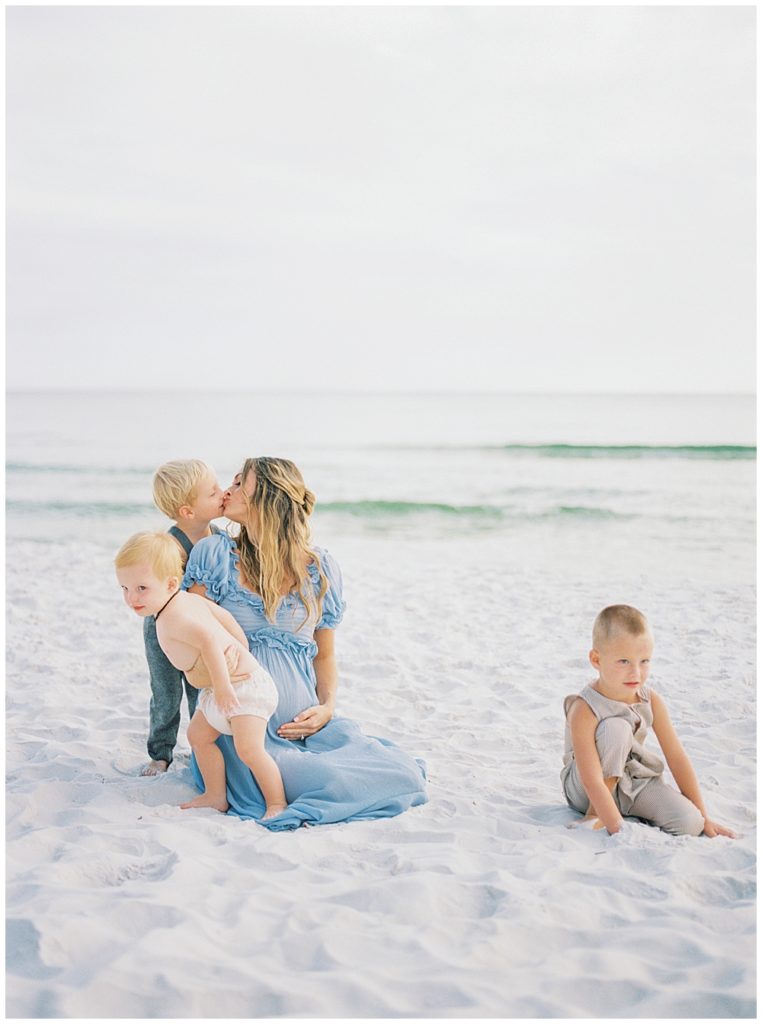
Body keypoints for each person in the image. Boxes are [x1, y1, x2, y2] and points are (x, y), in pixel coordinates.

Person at [181, 456, 428, 830]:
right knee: (330, 784)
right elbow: (193, 638)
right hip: (243, 731)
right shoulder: (214, 556)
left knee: (400, 775)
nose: (227, 491)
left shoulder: (320, 568)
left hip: (305, 727)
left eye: (238, 484)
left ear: (267, 497)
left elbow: (325, 653)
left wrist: (327, 707)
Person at [115, 532, 288, 820]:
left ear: (170, 583)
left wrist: (224, 684)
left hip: (243, 689)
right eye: (124, 588)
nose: (132, 598)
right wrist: (239, 647)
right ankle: (215, 796)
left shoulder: (174, 617)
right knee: (198, 737)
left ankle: (277, 803)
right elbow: (225, 619)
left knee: (249, 749)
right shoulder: (183, 600)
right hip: (218, 690)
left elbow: (208, 639)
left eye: (142, 588)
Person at [561, 604, 736, 838]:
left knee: (690, 823)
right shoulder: (584, 708)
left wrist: (704, 817)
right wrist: (618, 830)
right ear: (596, 659)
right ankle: (596, 816)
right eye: (624, 661)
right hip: (585, 788)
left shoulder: (650, 699)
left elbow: (676, 757)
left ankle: (622, 809)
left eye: (644, 661)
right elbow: (591, 778)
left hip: (632, 781)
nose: (636, 673)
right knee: (617, 727)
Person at [140, 459, 225, 776]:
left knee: (200, 687)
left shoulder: (218, 536)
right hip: (163, 629)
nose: (222, 494)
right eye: (213, 492)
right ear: (188, 511)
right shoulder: (170, 545)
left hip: (201, 627)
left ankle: (201, 745)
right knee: (165, 692)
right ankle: (160, 753)